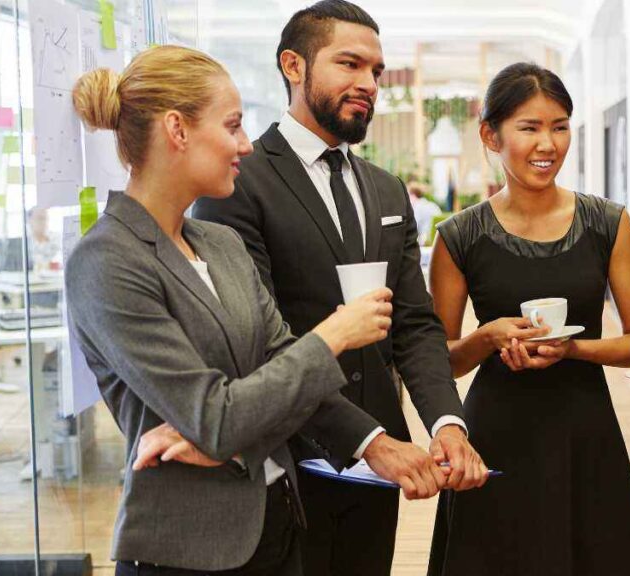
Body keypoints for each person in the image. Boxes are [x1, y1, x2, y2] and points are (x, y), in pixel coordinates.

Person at [66, 45, 395, 575]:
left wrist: (231, 438)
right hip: (187, 552)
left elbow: (273, 374)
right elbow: (217, 415)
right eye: (234, 125)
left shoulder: (220, 243)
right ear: (177, 129)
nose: (245, 145)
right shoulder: (106, 261)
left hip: (277, 524)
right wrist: (333, 334)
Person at [191, 2, 487, 575]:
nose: (368, 83)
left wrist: (446, 424)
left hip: (381, 471)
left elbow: (416, 326)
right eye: (349, 64)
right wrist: (367, 440)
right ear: (293, 66)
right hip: (288, 464)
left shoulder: (386, 190)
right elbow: (254, 344)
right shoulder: (237, 184)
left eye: (376, 71)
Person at [426, 62, 630, 576]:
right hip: (495, 431)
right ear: (491, 135)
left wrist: (572, 349)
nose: (547, 144)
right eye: (529, 128)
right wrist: (486, 337)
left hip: (585, 428)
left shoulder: (608, 222)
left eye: (559, 126)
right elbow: (439, 362)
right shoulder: (459, 236)